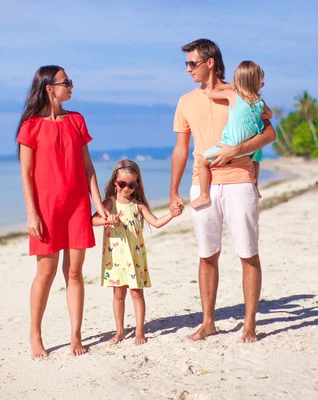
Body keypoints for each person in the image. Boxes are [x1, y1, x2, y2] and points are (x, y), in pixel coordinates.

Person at [171, 39, 276, 343]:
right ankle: (208, 323)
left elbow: (270, 132)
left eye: (193, 63)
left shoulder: (241, 92)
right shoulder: (185, 101)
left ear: (210, 62)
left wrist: (238, 149)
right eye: (187, 64)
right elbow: (180, 150)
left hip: (240, 179)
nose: (188, 69)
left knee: (248, 253)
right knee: (207, 255)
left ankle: (249, 325)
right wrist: (173, 190)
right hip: (201, 182)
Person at [16, 65, 111, 358]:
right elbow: (27, 174)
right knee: (45, 274)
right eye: (66, 82)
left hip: (76, 207)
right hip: (46, 209)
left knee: (74, 272)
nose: (71, 85)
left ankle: (75, 336)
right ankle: (35, 335)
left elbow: (87, 166)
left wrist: (98, 203)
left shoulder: (77, 120)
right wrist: (32, 214)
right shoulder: (30, 126)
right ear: (49, 88)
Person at [92, 160, 180, 345]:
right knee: (118, 294)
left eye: (131, 185)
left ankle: (140, 330)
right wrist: (108, 218)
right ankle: (120, 331)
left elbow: (155, 222)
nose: (126, 188)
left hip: (135, 257)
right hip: (115, 257)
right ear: (115, 182)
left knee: (137, 293)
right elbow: (92, 221)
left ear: (136, 185)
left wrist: (172, 213)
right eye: (122, 184)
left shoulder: (138, 205)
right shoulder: (109, 203)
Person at [190, 60, 273, 210]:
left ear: (238, 81)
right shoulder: (260, 101)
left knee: (202, 161)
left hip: (230, 144)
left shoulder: (232, 94)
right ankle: (255, 187)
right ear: (256, 82)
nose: (263, 84)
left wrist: (231, 86)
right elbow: (270, 115)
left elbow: (211, 94)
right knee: (255, 161)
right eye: (261, 81)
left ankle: (203, 195)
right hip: (248, 147)